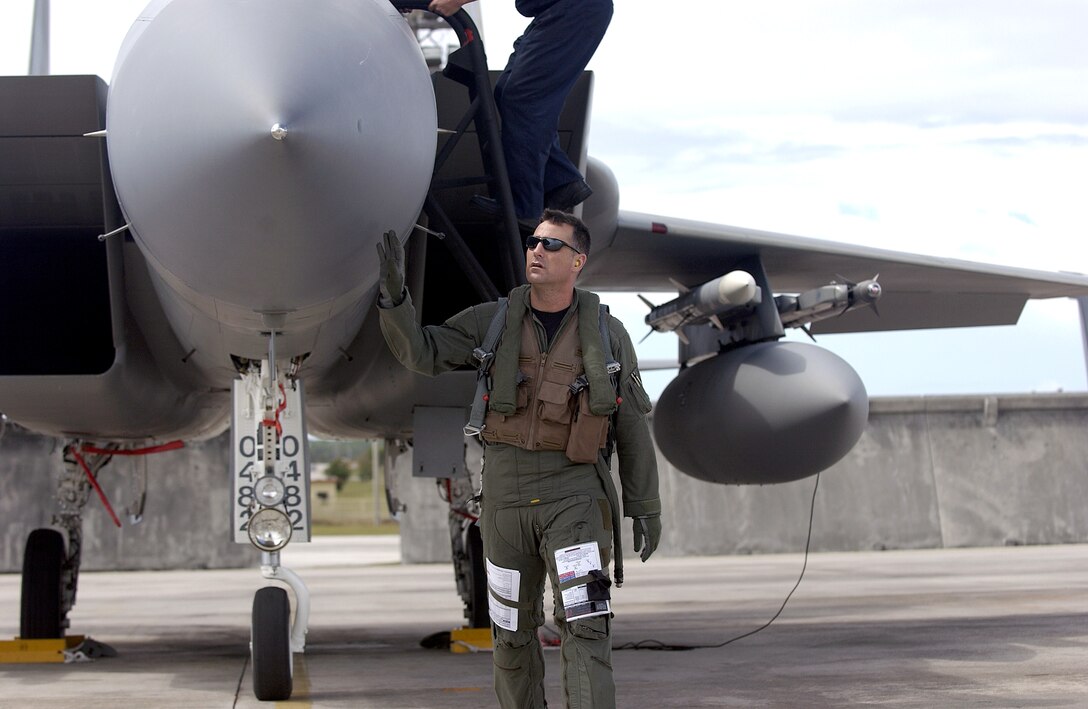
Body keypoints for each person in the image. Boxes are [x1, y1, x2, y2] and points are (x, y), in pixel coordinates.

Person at [377, 209, 661, 708]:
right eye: (533, 242)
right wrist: (394, 298)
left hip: (574, 495)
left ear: (577, 261)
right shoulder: (493, 321)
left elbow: (633, 423)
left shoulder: (609, 334)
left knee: (586, 627)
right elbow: (421, 352)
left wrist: (645, 506)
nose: (536, 250)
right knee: (509, 636)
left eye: (551, 245)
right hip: (504, 504)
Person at [427, 0, 613, 219]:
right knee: (507, 91)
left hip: (573, 8)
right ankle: (562, 180)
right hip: (554, 11)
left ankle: (524, 206)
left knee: (524, 97)